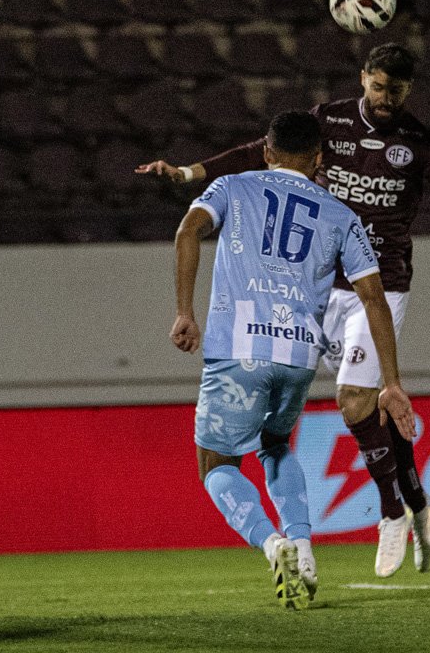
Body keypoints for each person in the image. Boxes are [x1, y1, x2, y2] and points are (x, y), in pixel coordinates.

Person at [138, 43, 430, 579]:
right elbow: (256, 150)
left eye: (397, 90)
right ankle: (396, 511)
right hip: (312, 308)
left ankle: (373, 519)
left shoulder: (414, 141)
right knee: (314, 426)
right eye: (379, 86)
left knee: (348, 401)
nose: (386, 98)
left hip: (362, 290)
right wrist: (190, 170)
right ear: (364, 79)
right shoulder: (331, 149)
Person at [172, 111, 416, 610]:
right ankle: (303, 548)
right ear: (319, 159)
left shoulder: (233, 186)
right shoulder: (340, 213)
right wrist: (390, 383)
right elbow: (374, 298)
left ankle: (272, 543)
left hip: (238, 348)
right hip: (300, 353)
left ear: (266, 151)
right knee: (276, 445)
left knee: (215, 465)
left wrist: (184, 312)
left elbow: (187, 232)